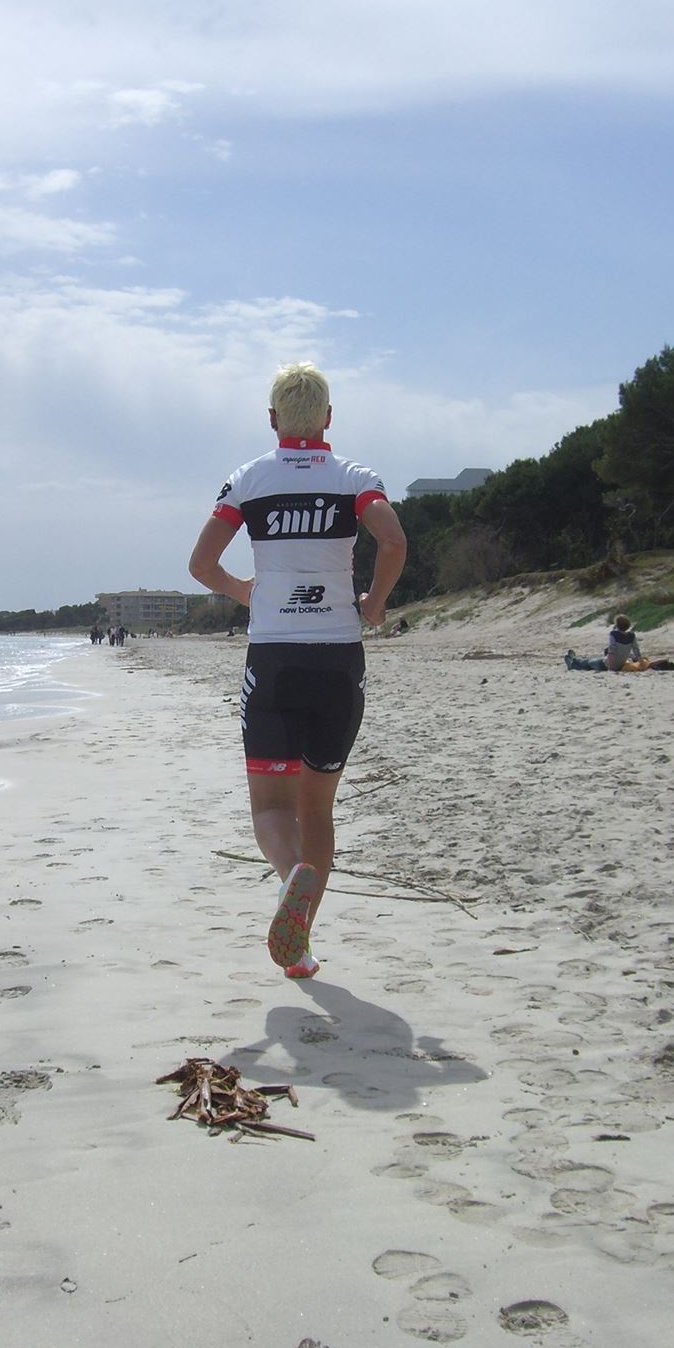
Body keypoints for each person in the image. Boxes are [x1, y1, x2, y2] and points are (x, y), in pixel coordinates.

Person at [188, 362, 407, 979]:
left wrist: (245, 592)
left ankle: (292, 882)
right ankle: (300, 946)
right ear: (328, 418)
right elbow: (393, 542)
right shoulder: (354, 479)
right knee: (317, 810)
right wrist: (375, 603)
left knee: (270, 810)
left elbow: (201, 564)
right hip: (339, 659)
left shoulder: (249, 480)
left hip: (275, 656)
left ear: (273, 419)